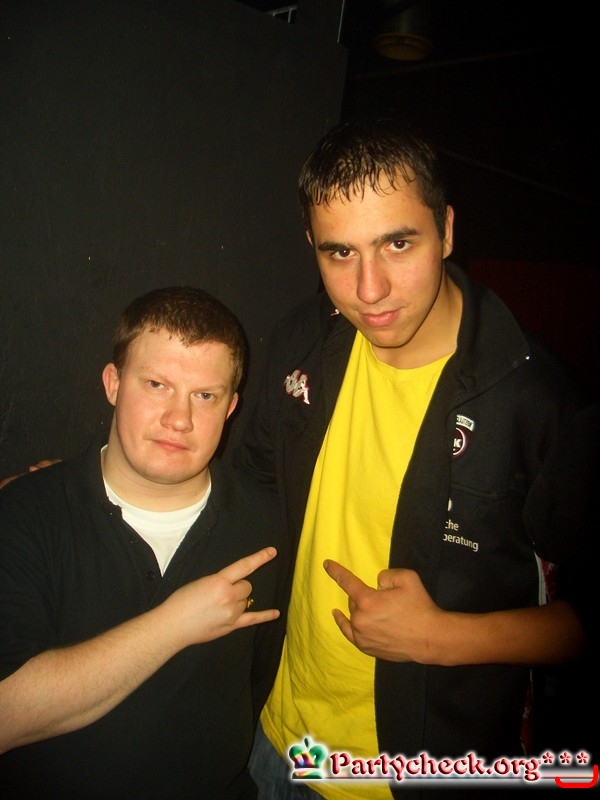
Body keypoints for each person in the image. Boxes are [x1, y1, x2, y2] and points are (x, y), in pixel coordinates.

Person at [234, 118, 598, 798]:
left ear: (447, 230)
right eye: (339, 253)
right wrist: (110, 492)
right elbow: (248, 484)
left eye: (397, 243)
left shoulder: (540, 402)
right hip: (277, 738)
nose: (368, 289)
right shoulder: (304, 339)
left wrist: (439, 638)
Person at [0, 286, 288, 800]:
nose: (179, 419)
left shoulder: (266, 524)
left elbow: (260, 680)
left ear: (231, 407)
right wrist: (175, 623)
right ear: (113, 384)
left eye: (205, 396)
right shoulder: (25, 513)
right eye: (157, 385)